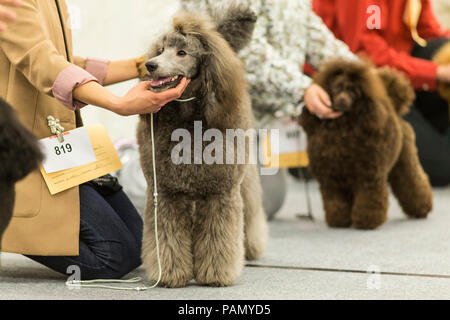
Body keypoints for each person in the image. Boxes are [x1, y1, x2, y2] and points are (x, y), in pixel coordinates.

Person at [0, 0, 189, 280]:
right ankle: (12, 223)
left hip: (57, 145)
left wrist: (145, 66)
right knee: (113, 258)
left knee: (139, 240)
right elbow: (41, 61)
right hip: (29, 147)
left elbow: (63, 62)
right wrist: (118, 104)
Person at [181, 0, 358, 218]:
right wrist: (303, 88)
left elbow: (317, 37)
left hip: (269, 117)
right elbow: (247, 53)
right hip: (222, 117)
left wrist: (362, 75)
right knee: (241, 205)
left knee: (266, 203)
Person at [313, 0, 450, 187]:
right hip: (355, 80)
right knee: (443, 168)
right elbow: (367, 53)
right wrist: (435, 73)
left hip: (398, 71)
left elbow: (428, 30)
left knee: (443, 47)